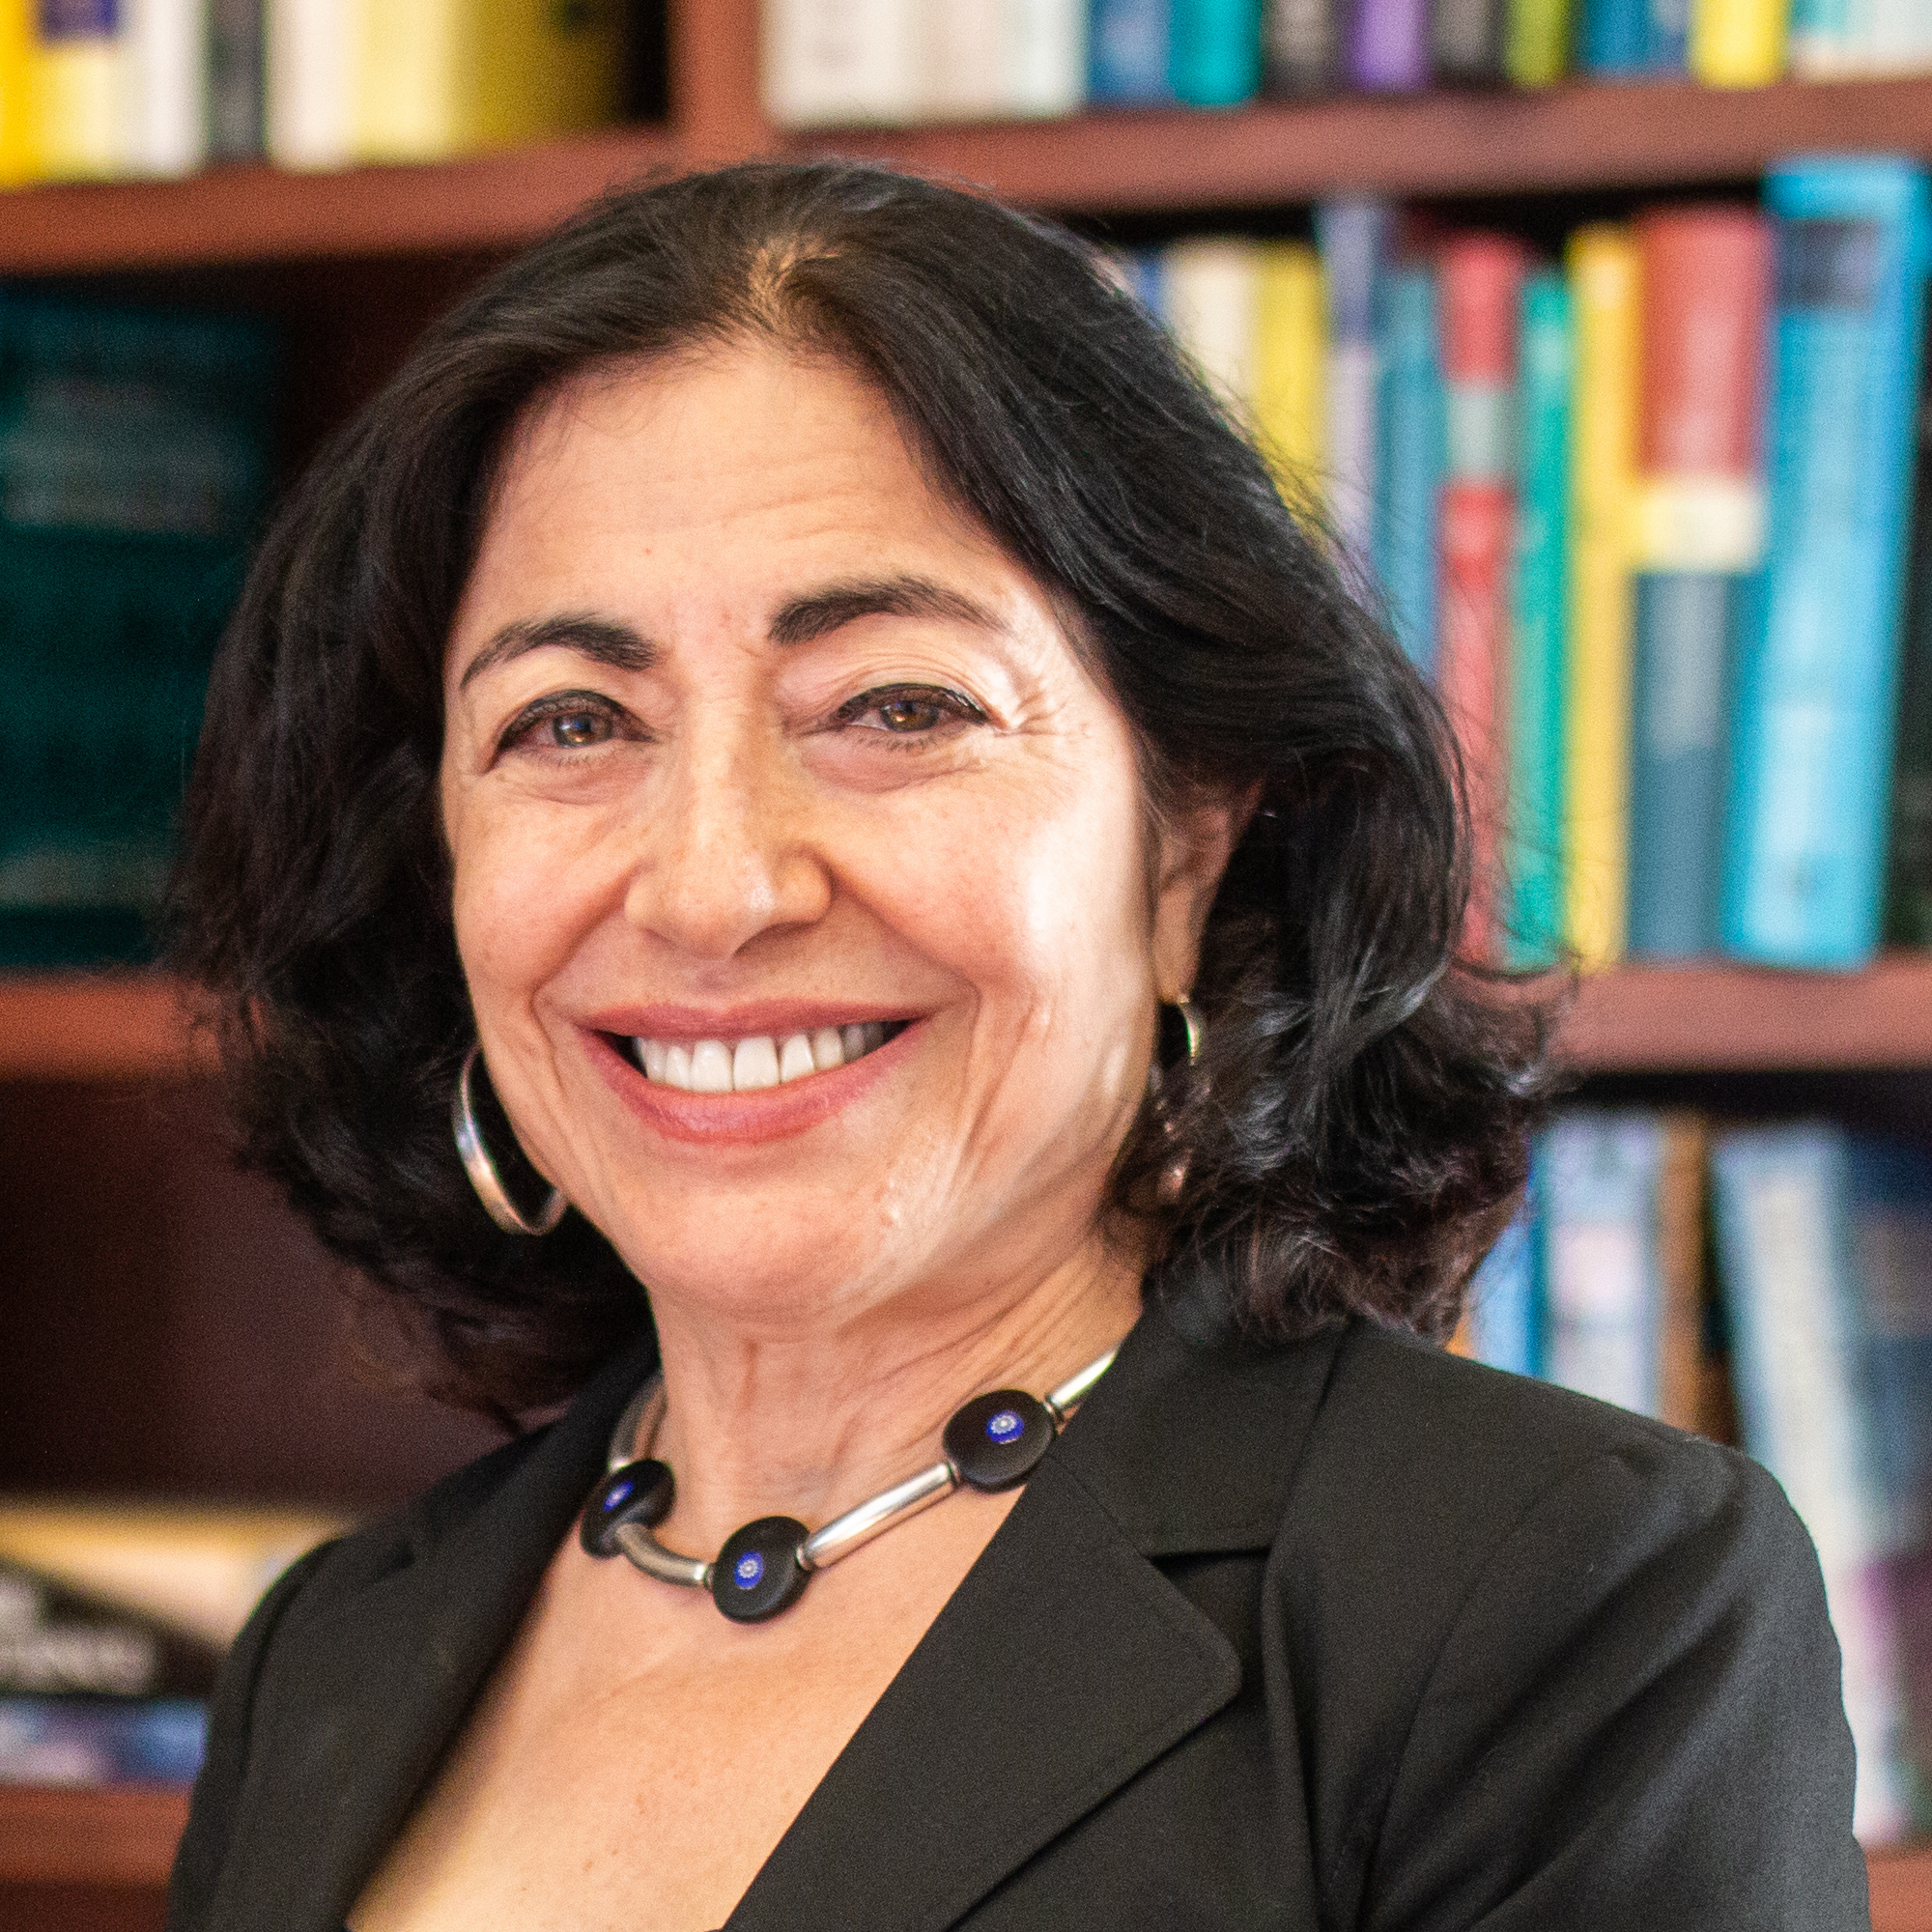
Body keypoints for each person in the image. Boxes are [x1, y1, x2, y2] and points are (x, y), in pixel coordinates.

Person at [163, 162, 1862, 1932]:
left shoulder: (1553, 1609)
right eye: (569, 722)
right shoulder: (333, 1655)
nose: (715, 885)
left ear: (1192, 833)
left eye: (900, 708)